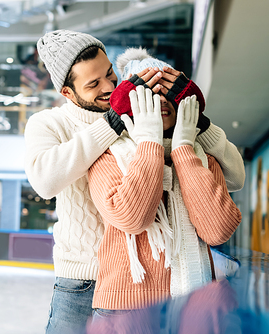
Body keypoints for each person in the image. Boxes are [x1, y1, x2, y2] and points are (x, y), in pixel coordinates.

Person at [24, 30, 245, 334]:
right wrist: (113, 122)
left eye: (110, 74)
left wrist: (194, 120)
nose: (109, 86)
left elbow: (235, 176)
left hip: (142, 281)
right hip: (82, 279)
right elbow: (45, 182)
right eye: (93, 84)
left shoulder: (141, 120)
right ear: (67, 92)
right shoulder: (51, 123)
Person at [86, 49, 242, 329]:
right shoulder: (108, 155)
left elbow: (217, 230)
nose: (160, 99)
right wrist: (149, 143)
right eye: (148, 93)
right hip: (124, 309)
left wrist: (183, 149)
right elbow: (132, 219)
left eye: (168, 91)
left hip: (195, 305)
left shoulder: (203, 158)